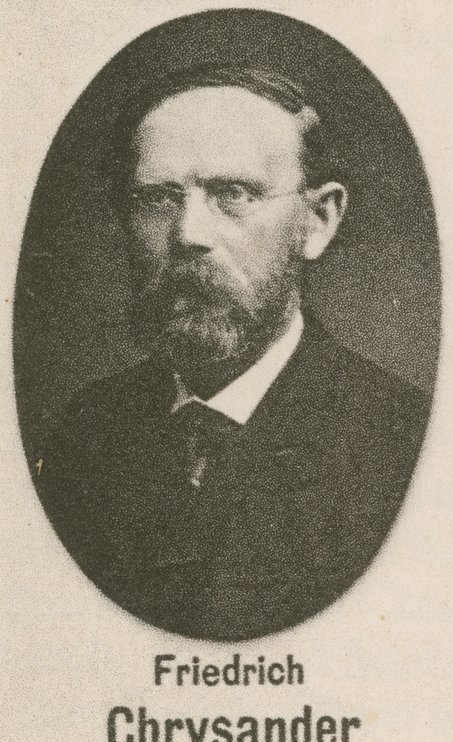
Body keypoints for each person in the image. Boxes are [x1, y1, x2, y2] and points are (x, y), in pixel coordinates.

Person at [36, 65, 430, 640]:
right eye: (158, 198)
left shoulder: (403, 442)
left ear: (317, 221)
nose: (188, 233)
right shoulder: (85, 434)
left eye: (233, 195)